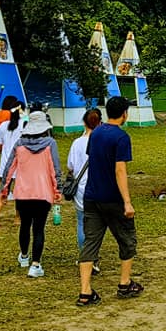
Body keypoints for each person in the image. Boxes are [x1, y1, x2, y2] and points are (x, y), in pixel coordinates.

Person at [77, 96, 142, 306]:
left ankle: (85, 291)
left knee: (91, 242)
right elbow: (120, 169)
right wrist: (127, 201)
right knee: (127, 238)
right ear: (125, 114)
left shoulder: (95, 134)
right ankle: (124, 283)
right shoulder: (121, 137)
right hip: (112, 198)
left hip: (92, 196)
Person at [0, 104, 62, 278]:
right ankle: (36, 265)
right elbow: (55, 169)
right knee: (39, 228)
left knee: (25, 225)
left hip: (23, 194)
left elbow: (8, 168)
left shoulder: (19, 144)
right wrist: (58, 191)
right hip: (43, 194)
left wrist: (4, 191)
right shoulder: (50, 143)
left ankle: (24, 256)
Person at [67, 107, 102, 263]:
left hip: (81, 189)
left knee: (82, 223)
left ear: (84, 123)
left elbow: (70, 166)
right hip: (100, 188)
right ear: (100, 122)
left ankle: (85, 257)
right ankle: (93, 257)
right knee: (98, 227)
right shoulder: (103, 142)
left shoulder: (77, 143)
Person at [0, 101, 24, 230]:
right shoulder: (24, 126)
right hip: (21, 165)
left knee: (2, 191)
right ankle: (17, 218)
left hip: (5, 165)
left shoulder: (3, 126)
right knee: (19, 193)